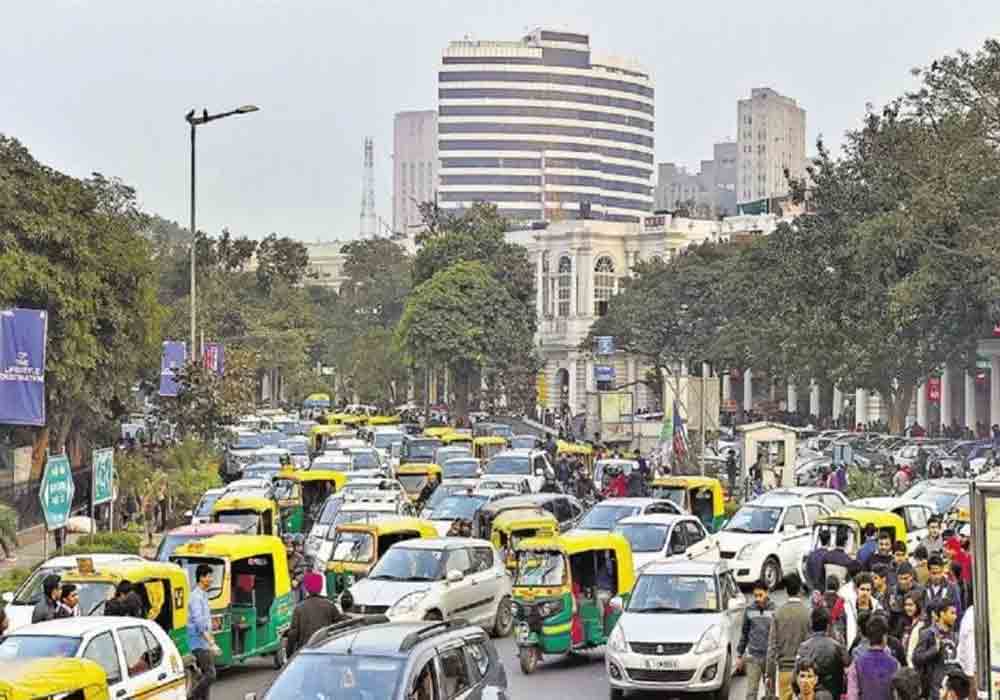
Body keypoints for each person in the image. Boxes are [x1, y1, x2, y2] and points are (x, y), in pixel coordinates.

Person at [767, 574, 811, 700]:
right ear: (800, 590)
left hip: (784, 671)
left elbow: (772, 648)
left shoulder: (778, 613)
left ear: (786, 590)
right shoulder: (807, 613)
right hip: (804, 673)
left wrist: (769, 674)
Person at [795, 606, 849, 700]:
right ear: (828, 625)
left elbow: (794, 678)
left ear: (811, 624)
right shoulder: (837, 646)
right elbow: (848, 672)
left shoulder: (804, 647)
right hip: (833, 694)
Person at [912, 599, 960, 700]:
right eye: (952, 613)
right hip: (934, 691)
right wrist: (934, 650)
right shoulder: (928, 634)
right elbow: (916, 658)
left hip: (952, 690)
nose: (955, 617)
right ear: (942, 614)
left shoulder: (954, 635)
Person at [286, 571, 343, 656]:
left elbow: (293, 634)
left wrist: (289, 654)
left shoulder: (299, 608)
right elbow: (339, 628)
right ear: (320, 587)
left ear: (306, 587)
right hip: (326, 650)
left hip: (305, 652)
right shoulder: (330, 606)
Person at [736, 580, 775, 700]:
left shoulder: (775, 610)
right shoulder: (749, 610)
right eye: (755, 596)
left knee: (770, 693)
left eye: (760, 595)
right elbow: (744, 633)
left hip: (769, 660)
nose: (757, 598)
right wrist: (739, 655)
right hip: (753, 658)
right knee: (751, 693)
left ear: (767, 592)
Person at [187, 563, 221, 700]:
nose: (211, 579)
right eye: (209, 576)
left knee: (206, 676)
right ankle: (191, 697)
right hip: (198, 642)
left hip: (204, 641)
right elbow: (199, 623)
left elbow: (206, 621)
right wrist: (211, 643)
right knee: (210, 674)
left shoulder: (204, 595)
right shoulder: (195, 597)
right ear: (201, 578)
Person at [848, 613, 899, 700]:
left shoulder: (856, 664)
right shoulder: (894, 664)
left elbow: (852, 695)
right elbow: (897, 694)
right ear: (884, 637)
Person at [836, 573, 883, 652]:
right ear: (856, 589)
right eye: (862, 589)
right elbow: (840, 630)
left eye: (868, 590)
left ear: (871, 591)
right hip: (851, 650)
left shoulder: (878, 608)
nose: (865, 593)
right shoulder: (847, 607)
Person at [889, 564, 925, 637]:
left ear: (911, 576)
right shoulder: (892, 591)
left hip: (915, 629)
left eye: (905, 578)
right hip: (896, 630)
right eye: (900, 579)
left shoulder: (921, 591)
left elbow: (924, 612)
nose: (903, 582)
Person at [924, 554, 962, 620]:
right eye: (934, 573)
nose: (937, 577)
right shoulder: (923, 589)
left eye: (940, 572)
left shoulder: (952, 588)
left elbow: (958, 611)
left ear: (943, 570)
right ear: (929, 572)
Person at [898, 592, 927, 668]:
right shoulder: (907, 622)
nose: (907, 608)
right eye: (906, 605)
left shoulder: (922, 625)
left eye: (910, 605)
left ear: (918, 605)